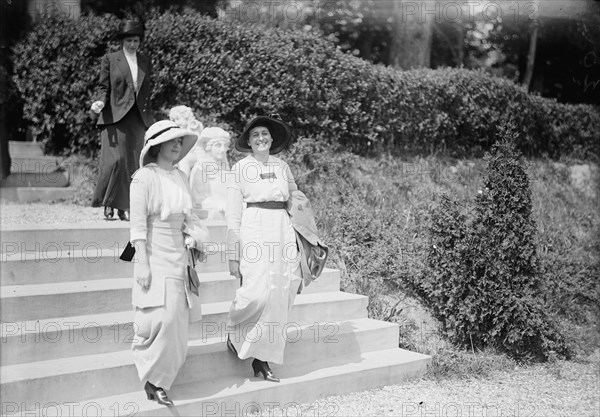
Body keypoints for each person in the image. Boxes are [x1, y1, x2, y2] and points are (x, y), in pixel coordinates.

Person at [129, 120, 208, 406]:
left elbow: (190, 217)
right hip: (154, 249)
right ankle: (150, 375)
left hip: (178, 251)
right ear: (157, 145)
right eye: (172, 141)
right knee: (159, 315)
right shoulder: (143, 178)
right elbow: (138, 225)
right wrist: (142, 262)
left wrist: (194, 237)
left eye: (180, 141)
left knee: (177, 319)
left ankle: (159, 381)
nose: (177, 145)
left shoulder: (180, 176)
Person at [225, 115, 302, 382]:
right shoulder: (240, 169)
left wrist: (306, 239)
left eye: (265, 134)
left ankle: (262, 358)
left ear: (272, 139)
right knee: (256, 293)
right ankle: (235, 330)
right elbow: (233, 214)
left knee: (282, 290)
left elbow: (296, 201)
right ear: (248, 140)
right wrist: (233, 253)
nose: (261, 138)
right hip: (254, 227)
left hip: (282, 228)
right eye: (255, 134)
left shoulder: (283, 167)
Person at [90, 19, 153, 221]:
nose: (132, 44)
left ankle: (123, 207)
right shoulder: (110, 59)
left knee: (133, 164)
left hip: (137, 118)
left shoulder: (145, 60)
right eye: (129, 40)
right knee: (115, 161)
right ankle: (108, 202)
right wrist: (100, 102)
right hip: (114, 116)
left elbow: (146, 92)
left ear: (140, 41)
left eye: (135, 40)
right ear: (122, 41)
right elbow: (103, 87)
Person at [189, 127, 231, 219]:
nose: (223, 149)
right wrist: (220, 204)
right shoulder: (200, 169)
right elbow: (199, 201)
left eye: (225, 145)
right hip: (208, 217)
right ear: (207, 147)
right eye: (218, 145)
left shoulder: (225, 170)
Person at [168, 105, 204, 178]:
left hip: (195, 155)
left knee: (184, 160)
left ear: (186, 117)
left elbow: (192, 146)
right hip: (182, 155)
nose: (176, 122)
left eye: (178, 119)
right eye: (173, 120)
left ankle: (183, 180)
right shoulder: (177, 132)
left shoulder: (193, 128)